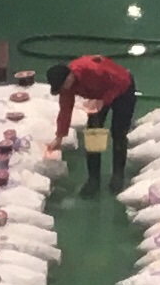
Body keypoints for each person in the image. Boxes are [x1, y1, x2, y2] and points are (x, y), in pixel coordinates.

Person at [54, 51, 139, 198]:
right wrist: (59, 136)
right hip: (97, 95)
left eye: (64, 86)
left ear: (69, 76)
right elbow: (65, 110)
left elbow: (122, 81)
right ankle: (93, 179)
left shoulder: (91, 69)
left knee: (118, 132)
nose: (65, 90)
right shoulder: (66, 86)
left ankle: (118, 175)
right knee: (93, 134)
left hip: (122, 89)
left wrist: (103, 100)